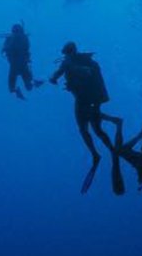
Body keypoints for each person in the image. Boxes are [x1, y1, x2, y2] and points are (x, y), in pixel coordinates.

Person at [49, 41, 122, 194]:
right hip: (95, 100)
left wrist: (54, 78)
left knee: (83, 129)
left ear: (68, 52)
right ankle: (111, 148)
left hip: (82, 100)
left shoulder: (69, 63)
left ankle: (95, 154)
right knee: (97, 128)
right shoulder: (90, 62)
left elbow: (57, 74)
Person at [1, 23, 42, 100]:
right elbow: (27, 49)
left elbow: (4, 50)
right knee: (29, 86)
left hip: (14, 65)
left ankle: (16, 90)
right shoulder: (25, 37)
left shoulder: (9, 38)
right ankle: (33, 83)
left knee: (11, 86)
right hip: (23, 64)